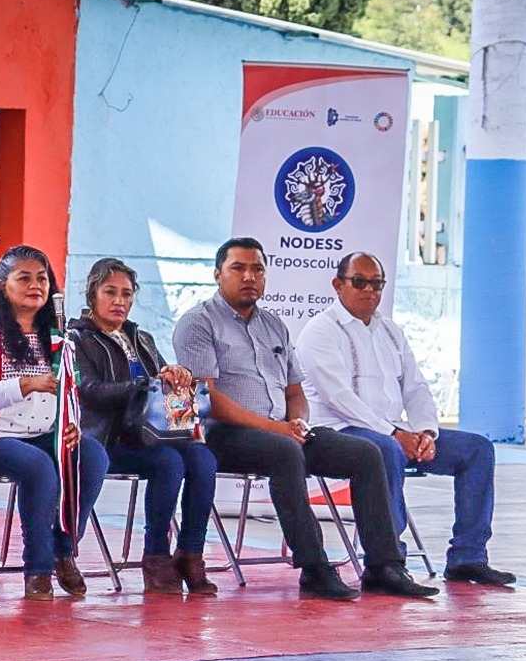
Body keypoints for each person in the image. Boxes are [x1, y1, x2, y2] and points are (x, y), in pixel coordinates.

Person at [173, 237, 438, 600]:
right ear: (218, 274)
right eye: (239, 268)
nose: (249, 276)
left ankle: (383, 566)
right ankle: (314, 568)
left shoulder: (273, 326)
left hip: (283, 432)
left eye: (258, 269)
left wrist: (296, 422)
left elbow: (295, 392)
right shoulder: (199, 323)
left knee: (366, 453)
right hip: (225, 434)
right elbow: (206, 398)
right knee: (284, 452)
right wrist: (277, 429)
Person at [297, 252, 515, 587]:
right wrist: (396, 434)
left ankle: (468, 557)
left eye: (377, 283)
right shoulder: (320, 331)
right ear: (338, 285)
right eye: (360, 282)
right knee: (386, 449)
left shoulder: (390, 332)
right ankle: (386, 562)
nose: (370, 290)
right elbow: (338, 398)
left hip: (395, 433)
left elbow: (416, 388)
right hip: (339, 432)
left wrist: (426, 431)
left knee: (477, 449)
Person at [71, 257, 218, 595]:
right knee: (169, 462)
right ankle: (155, 556)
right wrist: (143, 385)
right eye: (110, 292)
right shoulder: (78, 339)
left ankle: (191, 553)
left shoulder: (142, 337)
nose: (120, 300)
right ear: (92, 294)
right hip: (106, 439)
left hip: (151, 434)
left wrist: (175, 376)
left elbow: (160, 386)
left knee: (203, 458)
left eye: (126, 293)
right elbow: (88, 391)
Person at [0, 246, 108, 600]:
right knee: (38, 465)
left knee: (91, 455)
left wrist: (72, 423)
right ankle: (38, 568)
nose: (36, 285)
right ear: (3, 285)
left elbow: (70, 391)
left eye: (42, 278)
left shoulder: (57, 334)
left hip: (42, 434)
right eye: (25, 278)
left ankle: (64, 548)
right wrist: (27, 384)